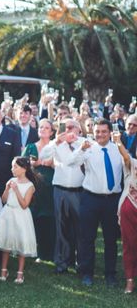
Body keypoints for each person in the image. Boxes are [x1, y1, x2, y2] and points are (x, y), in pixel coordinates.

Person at [65, 119, 123, 287]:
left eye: (104, 131)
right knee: (87, 238)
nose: (100, 135)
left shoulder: (117, 149)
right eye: (97, 131)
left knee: (111, 239)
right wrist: (81, 149)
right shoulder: (88, 147)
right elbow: (70, 162)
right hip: (90, 198)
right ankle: (87, 273)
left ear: (110, 132)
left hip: (112, 200)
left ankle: (110, 274)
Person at [42, 119, 85, 274]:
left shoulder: (85, 143)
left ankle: (80, 263)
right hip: (60, 190)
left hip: (79, 192)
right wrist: (56, 141)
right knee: (61, 228)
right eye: (66, 128)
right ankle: (62, 262)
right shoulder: (57, 144)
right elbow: (43, 154)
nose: (70, 130)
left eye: (73, 127)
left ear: (79, 130)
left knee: (80, 229)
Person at [0, 157, 37, 284]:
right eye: (12, 166)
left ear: (24, 169)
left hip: (21, 215)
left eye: (15, 167)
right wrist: (7, 188)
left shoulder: (30, 186)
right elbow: (4, 200)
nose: (12, 169)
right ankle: (4, 270)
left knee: (21, 243)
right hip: (8, 214)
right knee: (6, 242)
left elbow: (24, 205)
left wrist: (16, 190)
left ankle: (20, 273)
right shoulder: (11, 180)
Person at [22, 118, 55, 262]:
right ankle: (34, 250)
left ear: (52, 132)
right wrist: (31, 165)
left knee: (49, 219)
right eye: (41, 127)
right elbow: (21, 164)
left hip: (51, 186)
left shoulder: (55, 146)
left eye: (46, 128)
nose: (42, 129)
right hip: (34, 187)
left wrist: (48, 163)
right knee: (34, 217)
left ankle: (48, 252)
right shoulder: (30, 147)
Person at [115, 130, 137, 294]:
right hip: (129, 209)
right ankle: (130, 280)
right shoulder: (133, 163)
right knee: (129, 245)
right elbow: (125, 157)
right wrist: (118, 142)